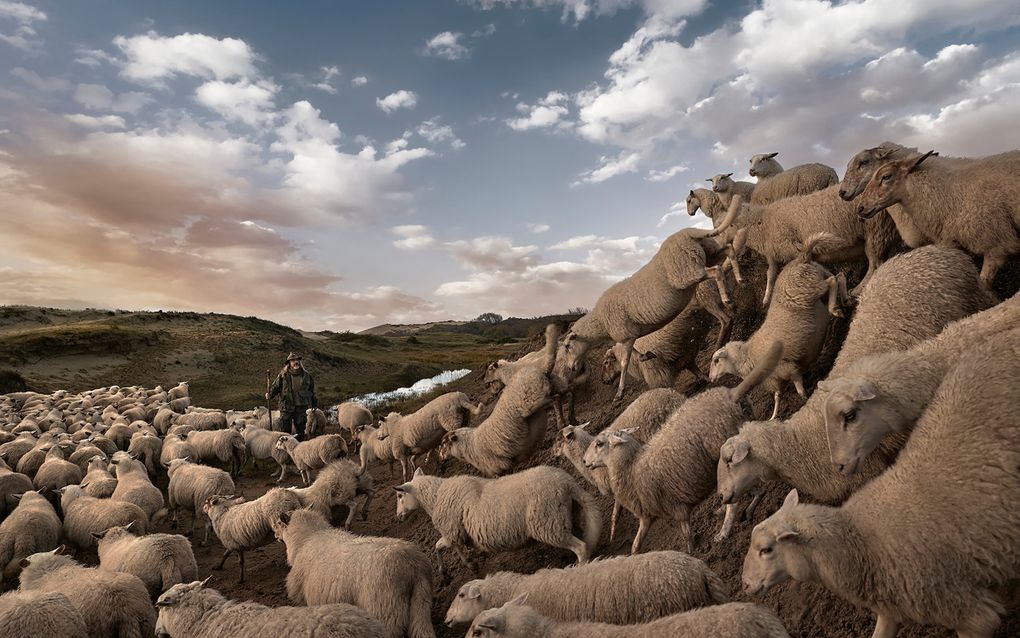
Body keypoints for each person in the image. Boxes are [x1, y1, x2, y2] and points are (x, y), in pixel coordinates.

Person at [266, 352, 317, 440]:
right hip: (286, 406)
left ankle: (299, 448)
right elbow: (276, 387)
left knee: (301, 431)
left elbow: (311, 390)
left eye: (297, 360)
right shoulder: (283, 375)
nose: (295, 362)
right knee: (285, 431)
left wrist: (314, 403)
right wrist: (270, 394)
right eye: (293, 360)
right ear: (289, 363)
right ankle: (286, 450)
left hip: (301, 407)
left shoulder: (307, 376)